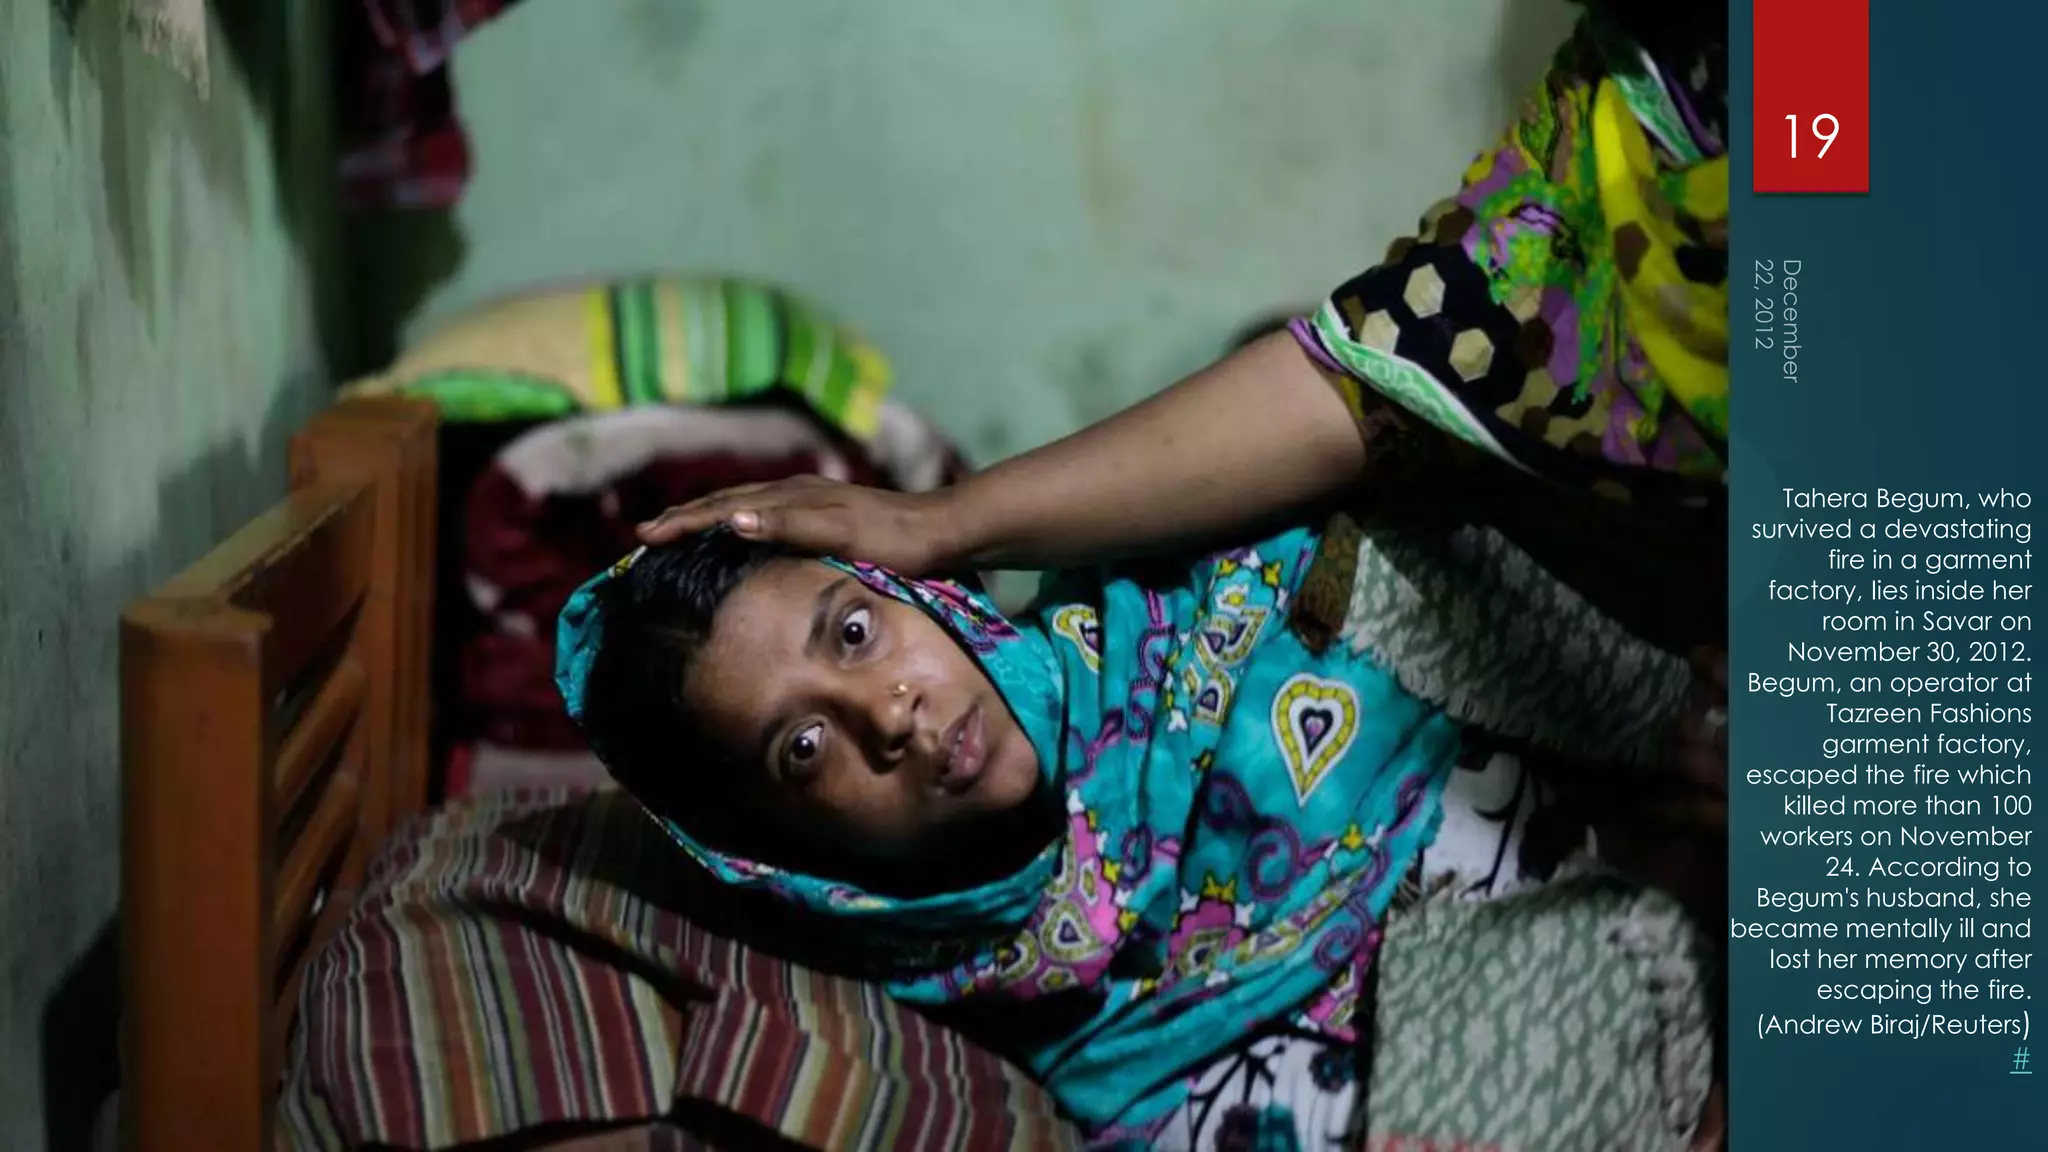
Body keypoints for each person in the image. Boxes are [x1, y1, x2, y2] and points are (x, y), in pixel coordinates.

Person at [565, 2, 1730, 1145]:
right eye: (803, 751)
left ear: (910, 590)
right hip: (1649, 947)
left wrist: (951, 520)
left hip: (1706, 725)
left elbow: (1385, 386)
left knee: (1365, 529)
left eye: (856, 634)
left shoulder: (1176, 613)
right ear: (785, 860)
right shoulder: (1045, 1014)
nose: (891, 713)